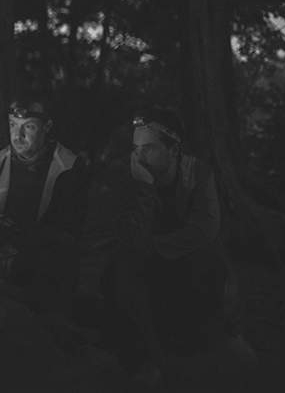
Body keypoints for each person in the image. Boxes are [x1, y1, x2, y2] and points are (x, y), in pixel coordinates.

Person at [96, 108, 229, 387]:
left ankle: (210, 342)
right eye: (136, 148)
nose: (139, 157)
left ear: (174, 150)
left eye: (149, 148)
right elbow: (129, 239)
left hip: (177, 259)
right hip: (144, 267)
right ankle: (147, 361)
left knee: (207, 256)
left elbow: (205, 228)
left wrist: (155, 247)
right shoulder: (128, 174)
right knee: (121, 267)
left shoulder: (198, 171)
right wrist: (144, 188)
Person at [0, 96, 88, 315]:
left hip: (37, 259)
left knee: (57, 260)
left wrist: (17, 246)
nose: (18, 135)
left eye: (28, 127)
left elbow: (69, 232)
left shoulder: (68, 168)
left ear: (47, 127)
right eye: (13, 125)